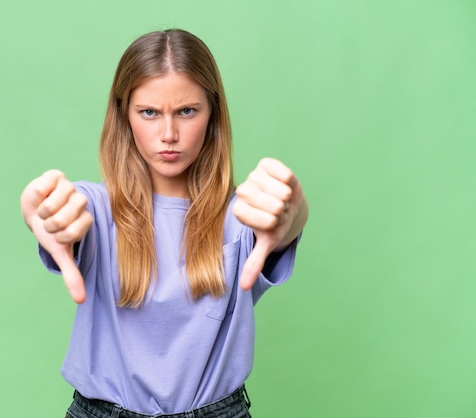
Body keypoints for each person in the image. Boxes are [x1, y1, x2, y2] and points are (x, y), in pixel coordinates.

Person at [20, 29, 308, 418]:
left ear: (213, 115)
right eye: (149, 113)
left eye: (187, 111)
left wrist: (295, 214)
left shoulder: (243, 215)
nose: (168, 134)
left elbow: (283, 224)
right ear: (125, 115)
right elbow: (58, 211)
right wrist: (41, 212)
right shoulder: (95, 208)